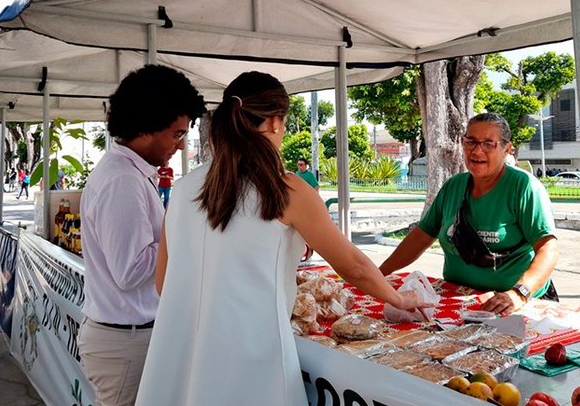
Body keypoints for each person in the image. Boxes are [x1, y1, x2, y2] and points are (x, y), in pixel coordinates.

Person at [136, 72, 431, 406]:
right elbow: (354, 266)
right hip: (252, 359)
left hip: (181, 356)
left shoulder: (184, 187)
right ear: (275, 123)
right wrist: (398, 298)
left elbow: (164, 283)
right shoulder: (284, 188)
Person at [78, 65, 206, 406]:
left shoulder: (132, 174)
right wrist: (188, 233)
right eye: (177, 135)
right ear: (147, 127)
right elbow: (129, 271)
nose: (180, 147)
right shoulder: (123, 181)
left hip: (134, 336)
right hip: (126, 343)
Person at [379, 112, 559, 316]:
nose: (477, 150)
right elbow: (422, 236)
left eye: (489, 144)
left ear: (507, 149)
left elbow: (548, 249)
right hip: (456, 298)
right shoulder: (453, 187)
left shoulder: (524, 187)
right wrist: (379, 274)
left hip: (513, 304)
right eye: (470, 142)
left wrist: (519, 293)